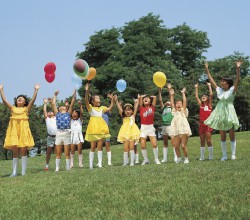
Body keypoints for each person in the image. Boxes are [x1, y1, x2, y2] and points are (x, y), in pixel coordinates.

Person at [204, 61, 243, 160]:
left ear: (228, 83)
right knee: (222, 134)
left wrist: (238, 69)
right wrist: (207, 69)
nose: (221, 82)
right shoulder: (219, 90)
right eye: (221, 81)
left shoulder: (232, 90)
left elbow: (237, 80)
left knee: (231, 133)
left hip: (229, 111)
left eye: (223, 81)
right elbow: (211, 80)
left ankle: (233, 155)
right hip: (220, 112)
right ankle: (224, 155)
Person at [0, 83, 40, 176]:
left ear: (25, 102)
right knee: (14, 150)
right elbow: (5, 100)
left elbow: (33, 100)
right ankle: (14, 172)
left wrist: (36, 90)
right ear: (16, 101)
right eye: (18, 98)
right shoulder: (13, 108)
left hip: (23, 131)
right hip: (14, 131)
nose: (20, 98)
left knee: (23, 150)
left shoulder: (26, 109)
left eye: (22, 98)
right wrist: (1, 90)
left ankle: (23, 172)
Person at [84, 83, 114, 169]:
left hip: (101, 128)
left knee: (100, 146)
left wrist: (112, 100)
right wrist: (87, 91)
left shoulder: (102, 108)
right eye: (97, 98)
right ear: (93, 101)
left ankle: (100, 163)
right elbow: (86, 100)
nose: (99, 99)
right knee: (93, 146)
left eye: (99, 98)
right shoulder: (90, 108)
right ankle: (90, 164)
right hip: (93, 129)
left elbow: (110, 108)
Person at [52, 90, 76, 171]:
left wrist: (74, 95)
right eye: (60, 106)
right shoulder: (57, 114)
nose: (62, 106)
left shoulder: (68, 114)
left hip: (66, 133)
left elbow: (72, 104)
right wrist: (55, 96)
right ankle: (57, 168)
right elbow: (53, 104)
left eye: (63, 106)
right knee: (58, 153)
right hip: (58, 133)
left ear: (66, 108)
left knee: (67, 152)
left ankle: (67, 168)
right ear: (58, 109)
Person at [168, 84, 192, 164]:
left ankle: (186, 158)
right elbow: (171, 103)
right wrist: (172, 95)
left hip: (184, 129)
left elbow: (185, 101)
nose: (178, 104)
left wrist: (183, 94)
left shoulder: (183, 111)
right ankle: (178, 158)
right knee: (176, 146)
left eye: (180, 103)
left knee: (183, 145)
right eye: (177, 103)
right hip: (176, 130)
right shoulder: (174, 112)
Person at [114, 95, 140, 166]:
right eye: (126, 110)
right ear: (124, 111)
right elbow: (119, 109)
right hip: (125, 133)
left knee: (132, 148)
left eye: (129, 110)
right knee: (125, 148)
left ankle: (132, 162)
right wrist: (116, 101)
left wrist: (137, 101)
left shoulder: (133, 116)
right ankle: (125, 162)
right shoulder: (123, 117)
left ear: (132, 111)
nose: (128, 111)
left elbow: (136, 107)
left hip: (132, 132)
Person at [138, 94, 161, 165]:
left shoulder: (152, 107)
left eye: (147, 99)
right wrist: (142, 97)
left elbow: (155, 97)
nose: (146, 99)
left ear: (150, 101)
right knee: (142, 145)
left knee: (154, 144)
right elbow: (140, 99)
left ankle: (156, 159)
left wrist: (149, 96)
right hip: (143, 127)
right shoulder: (141, 107)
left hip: (150, 127)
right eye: (144, 99)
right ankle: (146, 160)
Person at [195, 82, 214, 160]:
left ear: (208, 98)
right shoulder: (201, 105)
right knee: (202, 140)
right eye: (202, 96)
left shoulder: (209, 105)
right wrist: (196, 87)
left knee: (208, 140)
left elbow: (211, 95)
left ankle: (211, 156)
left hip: (208, 125)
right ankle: (202, 157)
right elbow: (196, 96)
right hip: (201, 125)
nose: (203, 97)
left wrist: (209, 86)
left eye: (205, 96)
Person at [158, 87, 177, 162]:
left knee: (173, 141)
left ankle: (176, 157)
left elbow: (171, 99)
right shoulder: (163, 108)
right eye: (166, 102)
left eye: (168, 102)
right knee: (165, 142)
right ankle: (165, 158)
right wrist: (159, 91)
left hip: (170, 125)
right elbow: (160, 100)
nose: (167, 102)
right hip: (164, 126)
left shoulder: (172, 108)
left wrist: (169, 90)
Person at [43, 98, 57, 171]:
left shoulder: (56, 118)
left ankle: (57, 166)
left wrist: (52, 102)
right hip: (50, 137)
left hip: (57, 137)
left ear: (54, 114)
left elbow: (55, 109)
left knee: (58, 151)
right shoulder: (47, 119)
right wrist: (45, 103)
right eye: (49, 112)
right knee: (48, 152)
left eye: (51, 112)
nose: (50, 112)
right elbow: (44, 111)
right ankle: (46, 166)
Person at [70, 100, 84, 168]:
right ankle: (71, 164)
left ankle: (80, 163)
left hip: (79, 136)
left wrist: (80, 105)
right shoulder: (70, 120)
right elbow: (69, 113)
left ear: (78, 114)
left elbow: (82, 113)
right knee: (72, 151)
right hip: (72, 137)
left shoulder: (79, 120)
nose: (74, 114)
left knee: (79, 150)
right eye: (73, 113)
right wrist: (68, 106)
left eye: (75, 113)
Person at [101, 93, 114, 166]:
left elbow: (111, 107)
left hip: (106, 131)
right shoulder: (98, 113)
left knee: (107, 146)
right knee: (99, 146)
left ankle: (109, 161)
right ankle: (100, 162)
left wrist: (112, 99)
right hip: (98, 131)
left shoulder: (107, 113)